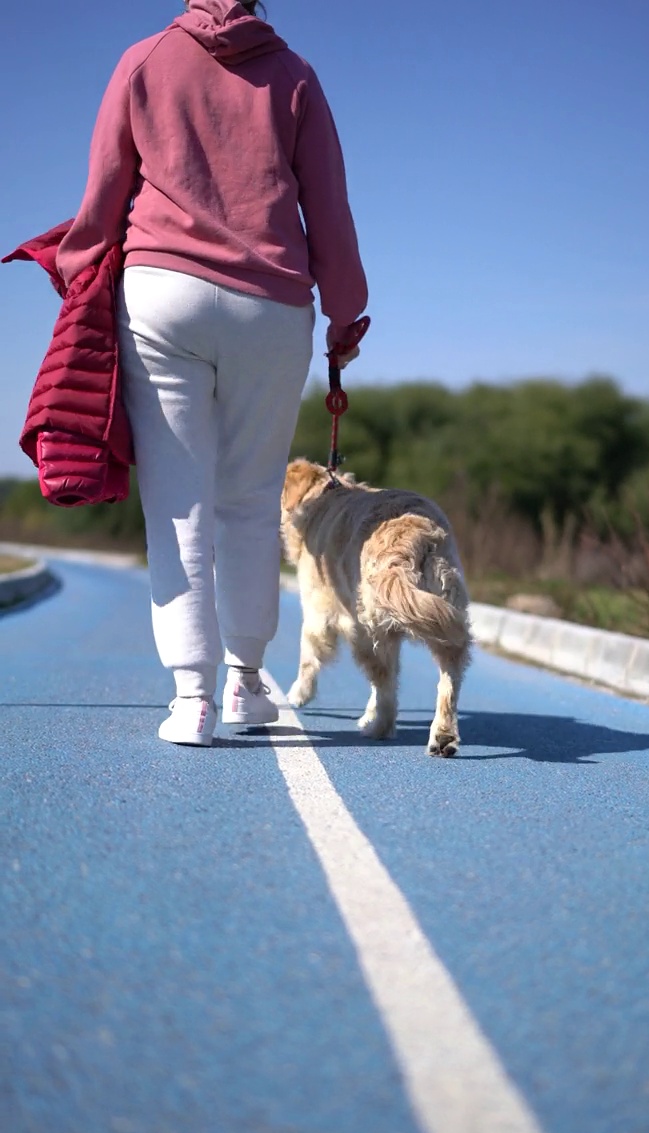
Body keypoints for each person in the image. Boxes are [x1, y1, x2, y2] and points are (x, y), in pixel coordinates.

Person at [56, 0, 368, 746]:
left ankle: (189, 698)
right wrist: (346, 313)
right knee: (250, 500)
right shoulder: (295, 76)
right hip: (272, 302)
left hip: (163, 293)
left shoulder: (143, 60)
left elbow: (102, 195)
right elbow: (329, 208)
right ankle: (245, 682)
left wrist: (75, 274)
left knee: (177, 501)